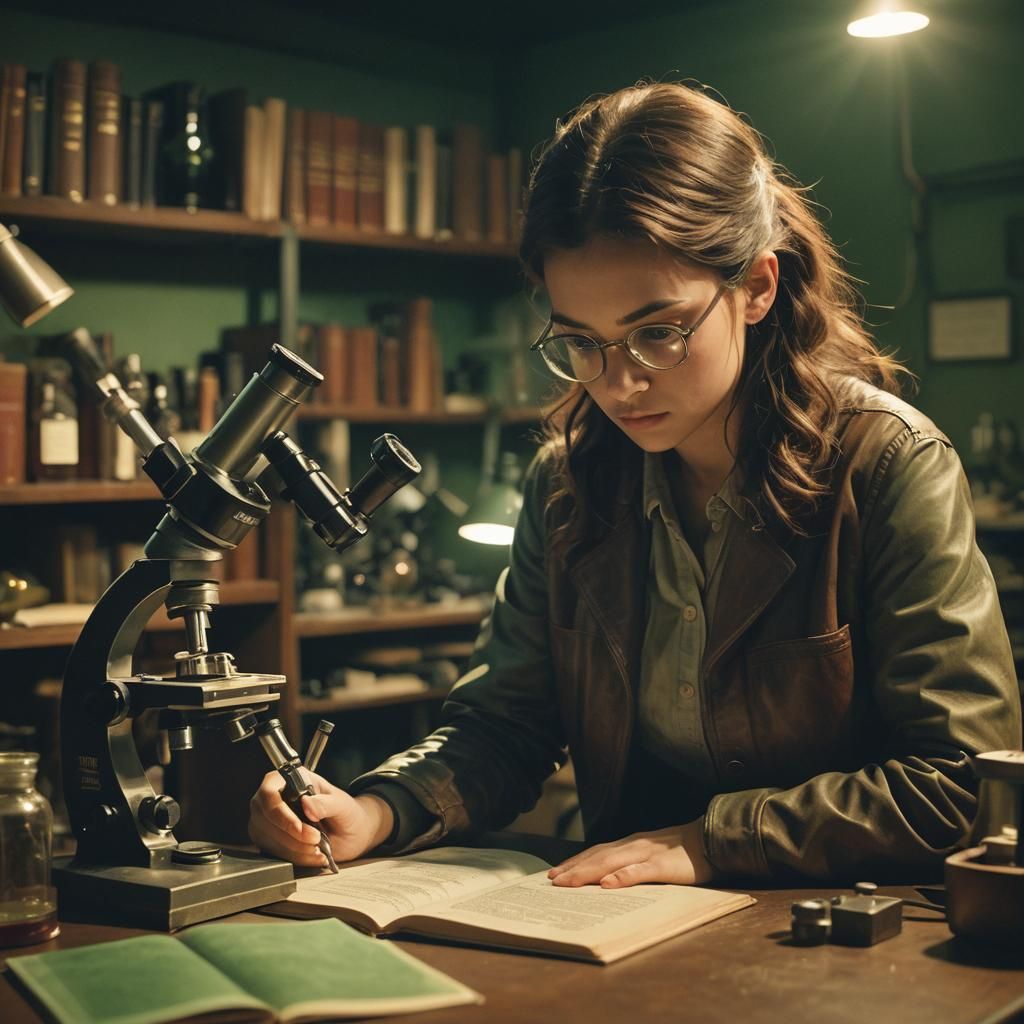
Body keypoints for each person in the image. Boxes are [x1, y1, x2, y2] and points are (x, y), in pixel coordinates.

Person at [249, 82, 1021, 886]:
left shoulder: (888, 465)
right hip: (625, 933)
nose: (618, 385)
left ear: (757, 286)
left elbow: (964, 782)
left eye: (657, 333)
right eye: (582, 342)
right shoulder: (568, 484)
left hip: (842, 943)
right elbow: (505, 724)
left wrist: (708, 842)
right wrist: (378, 809)